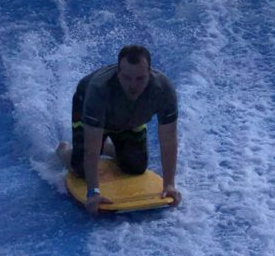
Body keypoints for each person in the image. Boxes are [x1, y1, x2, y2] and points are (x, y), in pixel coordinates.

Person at [57, 45, 182, 215]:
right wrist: (93, 192)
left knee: (135, 168)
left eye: (140, 78)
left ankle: (108, 147)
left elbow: (168, 140)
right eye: (127, 78)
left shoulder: (163, 89)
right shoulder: (99, 89)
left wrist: (169, 184)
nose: (133, 85)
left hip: (129, 118)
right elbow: (91, 150)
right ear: (118, 73)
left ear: (150, 72)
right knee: (81, 169)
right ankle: (63, 150)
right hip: (89, 109)